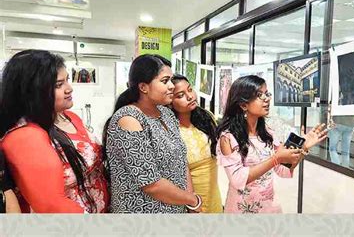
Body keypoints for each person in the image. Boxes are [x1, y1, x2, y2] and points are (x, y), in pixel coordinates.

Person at [0, 50, 109, 213]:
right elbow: (52, 205)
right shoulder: (24, 137)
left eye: (67, 80)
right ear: (32, 91)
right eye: (59, 85)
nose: (69, 89)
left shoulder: (69, 117)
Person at [103, 54, 202, 213]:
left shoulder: (166, 113)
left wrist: (190, 202)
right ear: (143, 87)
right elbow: (151, 184)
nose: (172, 86)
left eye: (171, 79)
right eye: (165, 81)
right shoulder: (129, 119)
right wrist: (193, 200)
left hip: (176, 208)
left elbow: (181, 161)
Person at [214, 75, 327, 213]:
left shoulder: (268, 133)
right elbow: (237, 180)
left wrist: (302, 148)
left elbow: (283, 170)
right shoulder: (228, 138)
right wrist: (275, 159)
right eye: (259, 95)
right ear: (243, 105)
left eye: (267, 93)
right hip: (242, 210)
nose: (266, 99)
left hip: (269, 207)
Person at [171, 74, 223, 213]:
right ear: (170, 101)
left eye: (190, 89)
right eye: (180, 95)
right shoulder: (170, 130)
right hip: (190, 203)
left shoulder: (207, 117)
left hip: (214, 197)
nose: (190, 96)